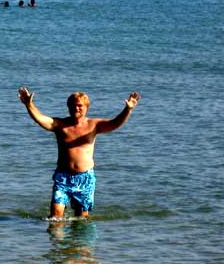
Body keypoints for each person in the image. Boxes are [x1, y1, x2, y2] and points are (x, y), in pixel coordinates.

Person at [18, 87, 140, 220]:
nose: (76, 108)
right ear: (68, 107)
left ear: (86, 107)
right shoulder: (60, 124)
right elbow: (40, 119)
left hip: (85, 178)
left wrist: (128, 110)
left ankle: (78, 240)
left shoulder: (94, 125)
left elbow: (115, 123)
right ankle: (57, 240)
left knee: (81, 219)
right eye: (73, 105)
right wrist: (29, 104)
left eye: (80, 106)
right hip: (63, 178)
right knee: (55, 217)